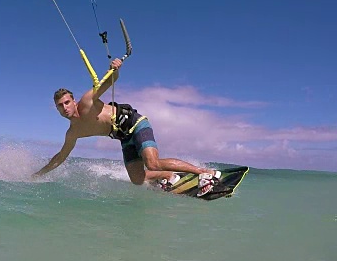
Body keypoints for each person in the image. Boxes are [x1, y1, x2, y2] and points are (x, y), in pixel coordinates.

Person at [32, 58, 221, 196]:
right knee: (137, 179)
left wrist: (114, 69)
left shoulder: (87, 102)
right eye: (60, 105)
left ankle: (206, 173)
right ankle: (169, 175)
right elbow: (60, 157)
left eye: (66, 102)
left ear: (73, 101)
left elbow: (110, 81)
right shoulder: (73, 132)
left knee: (152, 163)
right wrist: (39, 174)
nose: (65, 107)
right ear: (56, 109)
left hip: (135, 123)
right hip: (123, 137)